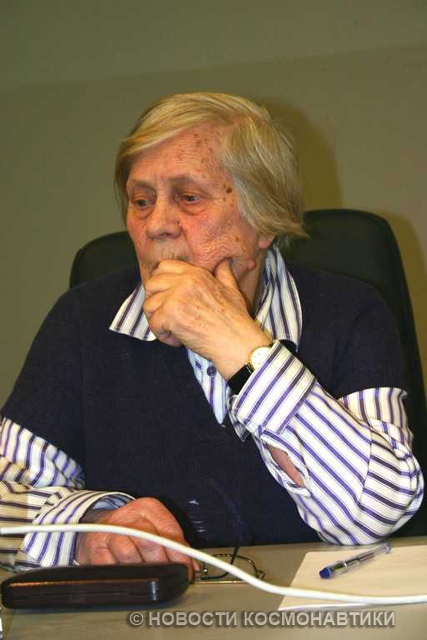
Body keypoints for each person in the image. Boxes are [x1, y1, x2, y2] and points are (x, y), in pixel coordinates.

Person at [0, 92, 423, 575]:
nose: (156, 225)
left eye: (189, 197)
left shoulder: (349, 312)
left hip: (313, 608)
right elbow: (7, 500)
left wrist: (237, 345)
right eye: (141, 201)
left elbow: (376, 513)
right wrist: (88, 528)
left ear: (263, 221)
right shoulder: (83, 322)